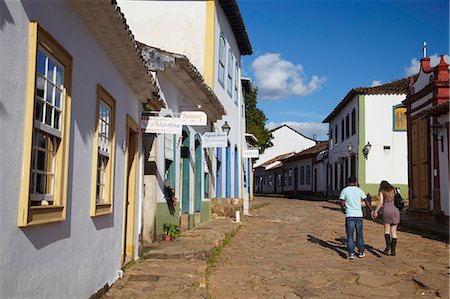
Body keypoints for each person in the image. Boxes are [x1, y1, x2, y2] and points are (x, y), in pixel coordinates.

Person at [339, 176, 372, 259]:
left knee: (350, 235)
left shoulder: (344, 190)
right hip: (358, 215)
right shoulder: (359, 190)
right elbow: (366, 201)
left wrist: (343, 209)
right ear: (356, 182)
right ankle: (361, 252)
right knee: (359, 234)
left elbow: (342, 202)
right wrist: (372, 210)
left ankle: (351, 253)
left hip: (349, 215)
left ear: (348, 182)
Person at [371, 181, 400, 256]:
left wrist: (375, 211)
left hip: (387, 210)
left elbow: (381, 202)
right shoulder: (393, 190)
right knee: (394, 232)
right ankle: (393, 251)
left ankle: (388, 245)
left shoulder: (382, 191)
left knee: (387, 230)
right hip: (395, 211)